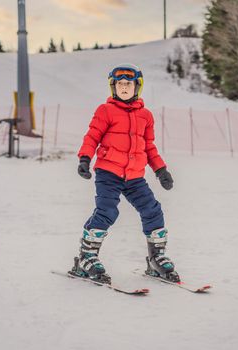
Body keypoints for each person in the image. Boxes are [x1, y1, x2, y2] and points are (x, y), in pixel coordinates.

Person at [70, 63, 179, 284]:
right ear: (113, 87)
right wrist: (84, 159)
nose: (124, 87)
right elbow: (92, 137)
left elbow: (148, 147)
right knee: (107, 211)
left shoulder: (146, 116)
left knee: (152, 210)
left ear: (137, 87)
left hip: (135, 176)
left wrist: (161, 170)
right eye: (120, 84)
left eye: (128, 83)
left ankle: (156, 257)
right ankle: (86, 257)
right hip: (108, 172)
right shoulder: (105, 110)